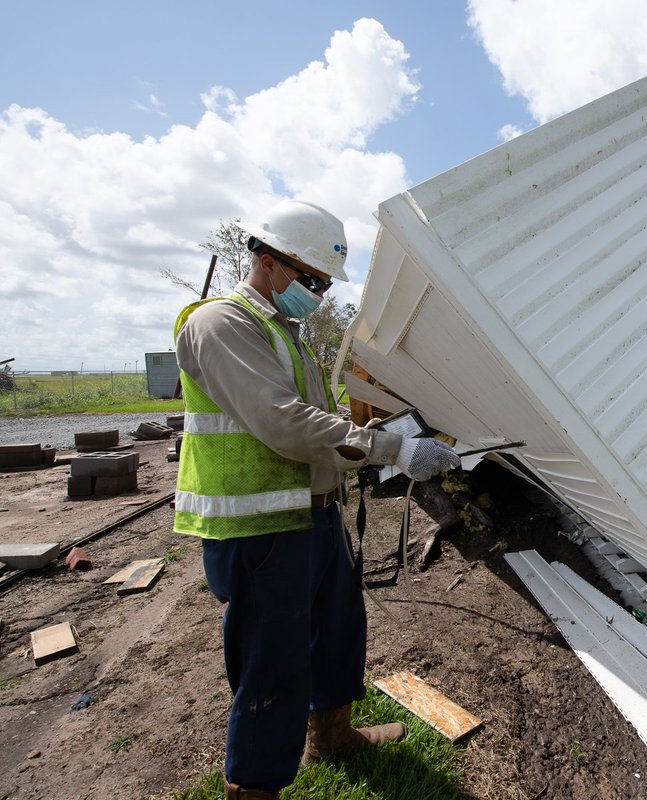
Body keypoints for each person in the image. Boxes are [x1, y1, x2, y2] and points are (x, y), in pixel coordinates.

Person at [173, 199, 460, 799]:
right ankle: (254, 787)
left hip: (312, 517)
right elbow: (284, 423)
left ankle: (331, 737)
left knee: (337, 634)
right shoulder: (222, 324)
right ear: (269, 261)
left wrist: (389, 437)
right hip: (260, 529)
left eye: (326, 284)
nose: (321, 294)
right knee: (272, 666)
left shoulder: (286, 332)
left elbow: (317, 424)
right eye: (313, 280)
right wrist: (393, 451)